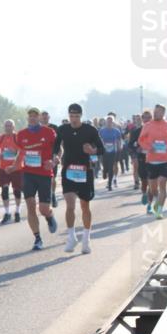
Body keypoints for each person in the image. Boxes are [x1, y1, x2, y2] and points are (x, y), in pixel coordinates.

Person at [52, 103, 104, 254]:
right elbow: (55, 147)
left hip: (84, 171)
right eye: (71, 116)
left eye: (76, 116)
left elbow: (101, 149)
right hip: (68, 171)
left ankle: (86, 239)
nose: (73, 119)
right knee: (69, 205)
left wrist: (92, 150)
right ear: (68, 116)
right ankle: (71, 237)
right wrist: (55, 157)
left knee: (85, 207)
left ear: (81, 116)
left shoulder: (90, 130)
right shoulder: (62, 130)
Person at [9, 108, 58, 250]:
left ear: (39, 118)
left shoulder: (49, 133)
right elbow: (20, 153)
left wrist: (54, 161)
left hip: (44, 174)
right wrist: (14, 166)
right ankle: (37, 238)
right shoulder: (21, 134)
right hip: (28, 174)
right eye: (30, 116)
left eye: (35, 116)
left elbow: (58, 149)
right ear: (27, 118)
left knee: (43, 209)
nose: (32, 118)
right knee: (30, 205)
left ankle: (49, 216)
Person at [137, 103, 167, 219]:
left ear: (163, 113)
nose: (155, 113)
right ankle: (156, 200)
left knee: (162, 183)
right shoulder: (148, 125)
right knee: (153, 189)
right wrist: (148, 147)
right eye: (155, 111)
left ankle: (159, 210)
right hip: (151, 160)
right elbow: (141, 140)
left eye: (158, 112)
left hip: (165, 159)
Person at [0, 119, 23, 223]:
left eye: (10, 126)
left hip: (17, 168)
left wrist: (15, 152)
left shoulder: (18, 138)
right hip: (4, 169)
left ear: (13, 127)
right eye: (6, 126)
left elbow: (22, 151)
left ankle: (17, 211)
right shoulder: (0, 138)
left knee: (17, 191)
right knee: (5, 190)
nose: (8, 128)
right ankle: (7, 213)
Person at [40, 111, 61, 207]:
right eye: (42, 116)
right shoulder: (37, 129)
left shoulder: (55, 128)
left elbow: (60, 145)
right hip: (40, 158)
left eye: (46, 116)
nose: (44, 118)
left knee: (52, 178)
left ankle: (52, 195)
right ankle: (45, 197)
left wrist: (58, 156)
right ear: (40, 118)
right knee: (42, 179)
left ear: (49, 117)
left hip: (52, 156)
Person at [98, 116, 123, 190]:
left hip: (113, 151)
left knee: (111, 167)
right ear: (106, 122)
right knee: (105, 166)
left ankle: (109, 184)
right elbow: (98, 140)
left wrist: (119, 147)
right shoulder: (102, 131)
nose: (109, 122)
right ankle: (104, 171)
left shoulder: (116, 131)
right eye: (108, 121)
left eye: (111, 121)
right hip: (104, 151)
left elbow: (119, 140)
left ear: (113, 122)